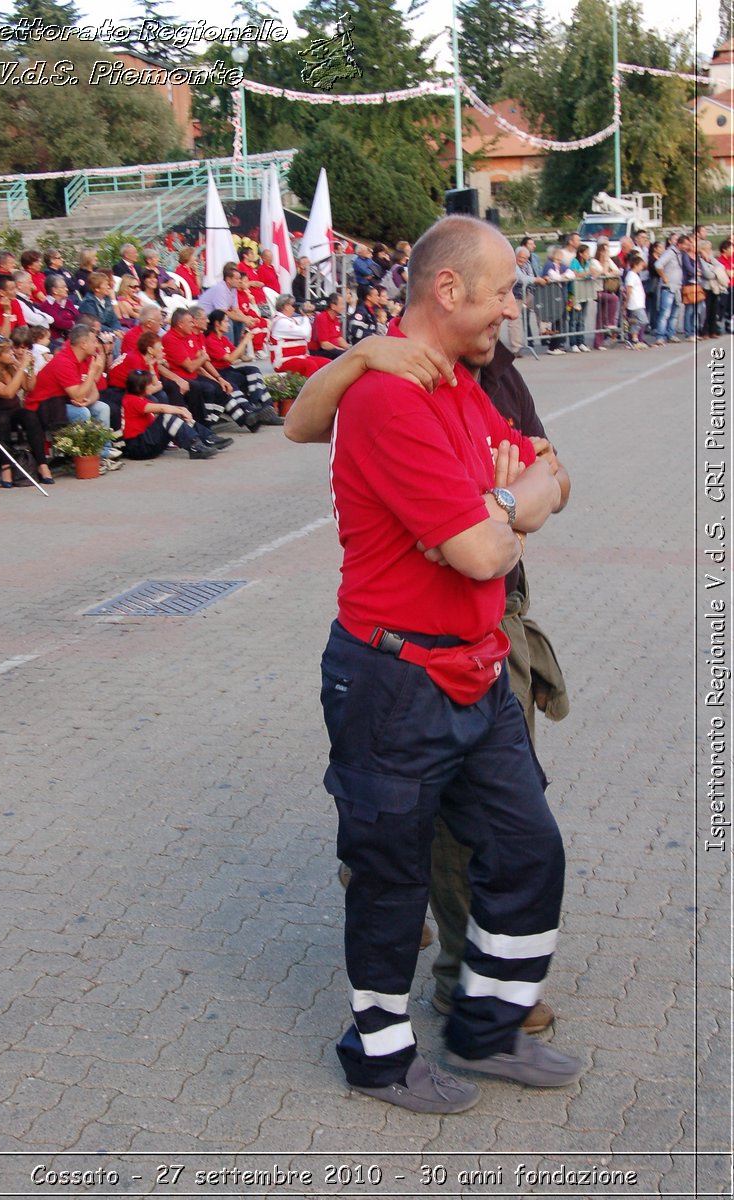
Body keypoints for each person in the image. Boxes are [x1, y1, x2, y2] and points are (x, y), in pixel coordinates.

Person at [286, 214, 580, 1113]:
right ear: (448, 291)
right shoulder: (387, 397)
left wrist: (501, 499)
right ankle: (377, 1055)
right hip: (395, 681)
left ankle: (485, 1027)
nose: (513, 309)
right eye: (502, 292)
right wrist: (504, 507)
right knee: (391, 878)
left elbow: (550, 477)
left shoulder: (463, 381)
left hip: (477, 669)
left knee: (528, 848)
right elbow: (485, 553)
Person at [25, 325, 120, 472]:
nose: (96, 345)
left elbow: (93, 391)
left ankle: (104, 455)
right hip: (45, 406)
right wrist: (93, 372)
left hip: (63, 402)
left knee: (102, 407)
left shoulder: (85, 359)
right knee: (82, 413)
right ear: (83, 344)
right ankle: (83, 457)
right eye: (94, 341)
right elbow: (78, 395)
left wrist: (90, 400)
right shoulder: (64, 361)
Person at [0, 335, 54, 487]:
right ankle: (6, 468)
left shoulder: (12, 367)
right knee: (1, 419)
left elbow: (29, 387)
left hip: (12, 410)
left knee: (30, 416)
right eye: (7, 351)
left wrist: (28, 367)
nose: (12, 353)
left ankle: (42, 464)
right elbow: (8, 393)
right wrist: (21, 367)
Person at [121, 369, 219, 461]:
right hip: (138, 447)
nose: (153, 386)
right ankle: (195, 446)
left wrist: (181, 410)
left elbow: (164, 407)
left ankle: (207, 438)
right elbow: (162, 409)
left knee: (174, 415)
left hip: (146, 443)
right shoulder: (131, 400)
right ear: (140, 387)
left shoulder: (140, 399)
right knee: (167, 416)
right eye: (149, 384)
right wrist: (181, 410)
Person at [205, 309, 283, 424]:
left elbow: (240, 357)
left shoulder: (223, 339)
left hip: (228, 370)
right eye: (226, 322)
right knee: (235, 382)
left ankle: (264, 407)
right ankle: (251, 408)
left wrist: (242, 340)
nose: (229, 325)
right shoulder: (211, 340)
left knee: (253, 370)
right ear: (217, 323)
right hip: (220, 372)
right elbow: (231, 358)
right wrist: (244, 342)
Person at [653, 234, 689, 345]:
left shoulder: (680, 254)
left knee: (675, 313)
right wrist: (664, 276)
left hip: (677, 287)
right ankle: (660, 335)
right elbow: (658, 264)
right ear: (680, 244)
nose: (687, 246)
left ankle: (671, 334)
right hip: (668, 287)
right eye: (686, 244)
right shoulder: (670, 252)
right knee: (665, 313)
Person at [589, 241, 621, 350]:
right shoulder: (594, 261)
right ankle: (610, 322)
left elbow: (617, 271)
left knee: (601, 316)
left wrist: (608, 267)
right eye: (605, 251)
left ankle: (598, 342)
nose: (607, 253)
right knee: (614, 299)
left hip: (606, 289)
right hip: (597, 290)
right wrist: (606, 264)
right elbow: (603, 271)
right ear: (601, 251)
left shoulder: (609, 260)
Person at [309, 293, 349, 359]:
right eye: (341, 304)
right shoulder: (322, 317)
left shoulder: (335, 318)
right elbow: (324, 345)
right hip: (319, 351)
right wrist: (340, 350)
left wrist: (350, 348)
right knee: (345, 356)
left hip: (332, 349)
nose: (343, 307)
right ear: (333, 306)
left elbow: (339, 338)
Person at [623, 251, 649, 348]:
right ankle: (632, 332)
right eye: (641, 266)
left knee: (637, 320)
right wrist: (627, 302)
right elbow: (629, 290)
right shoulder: (631, 275)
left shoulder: (635, 275)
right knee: (643, 320)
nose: (642, 268)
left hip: (639, 302)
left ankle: (634, 339)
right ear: (636, 265)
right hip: (635, 303)